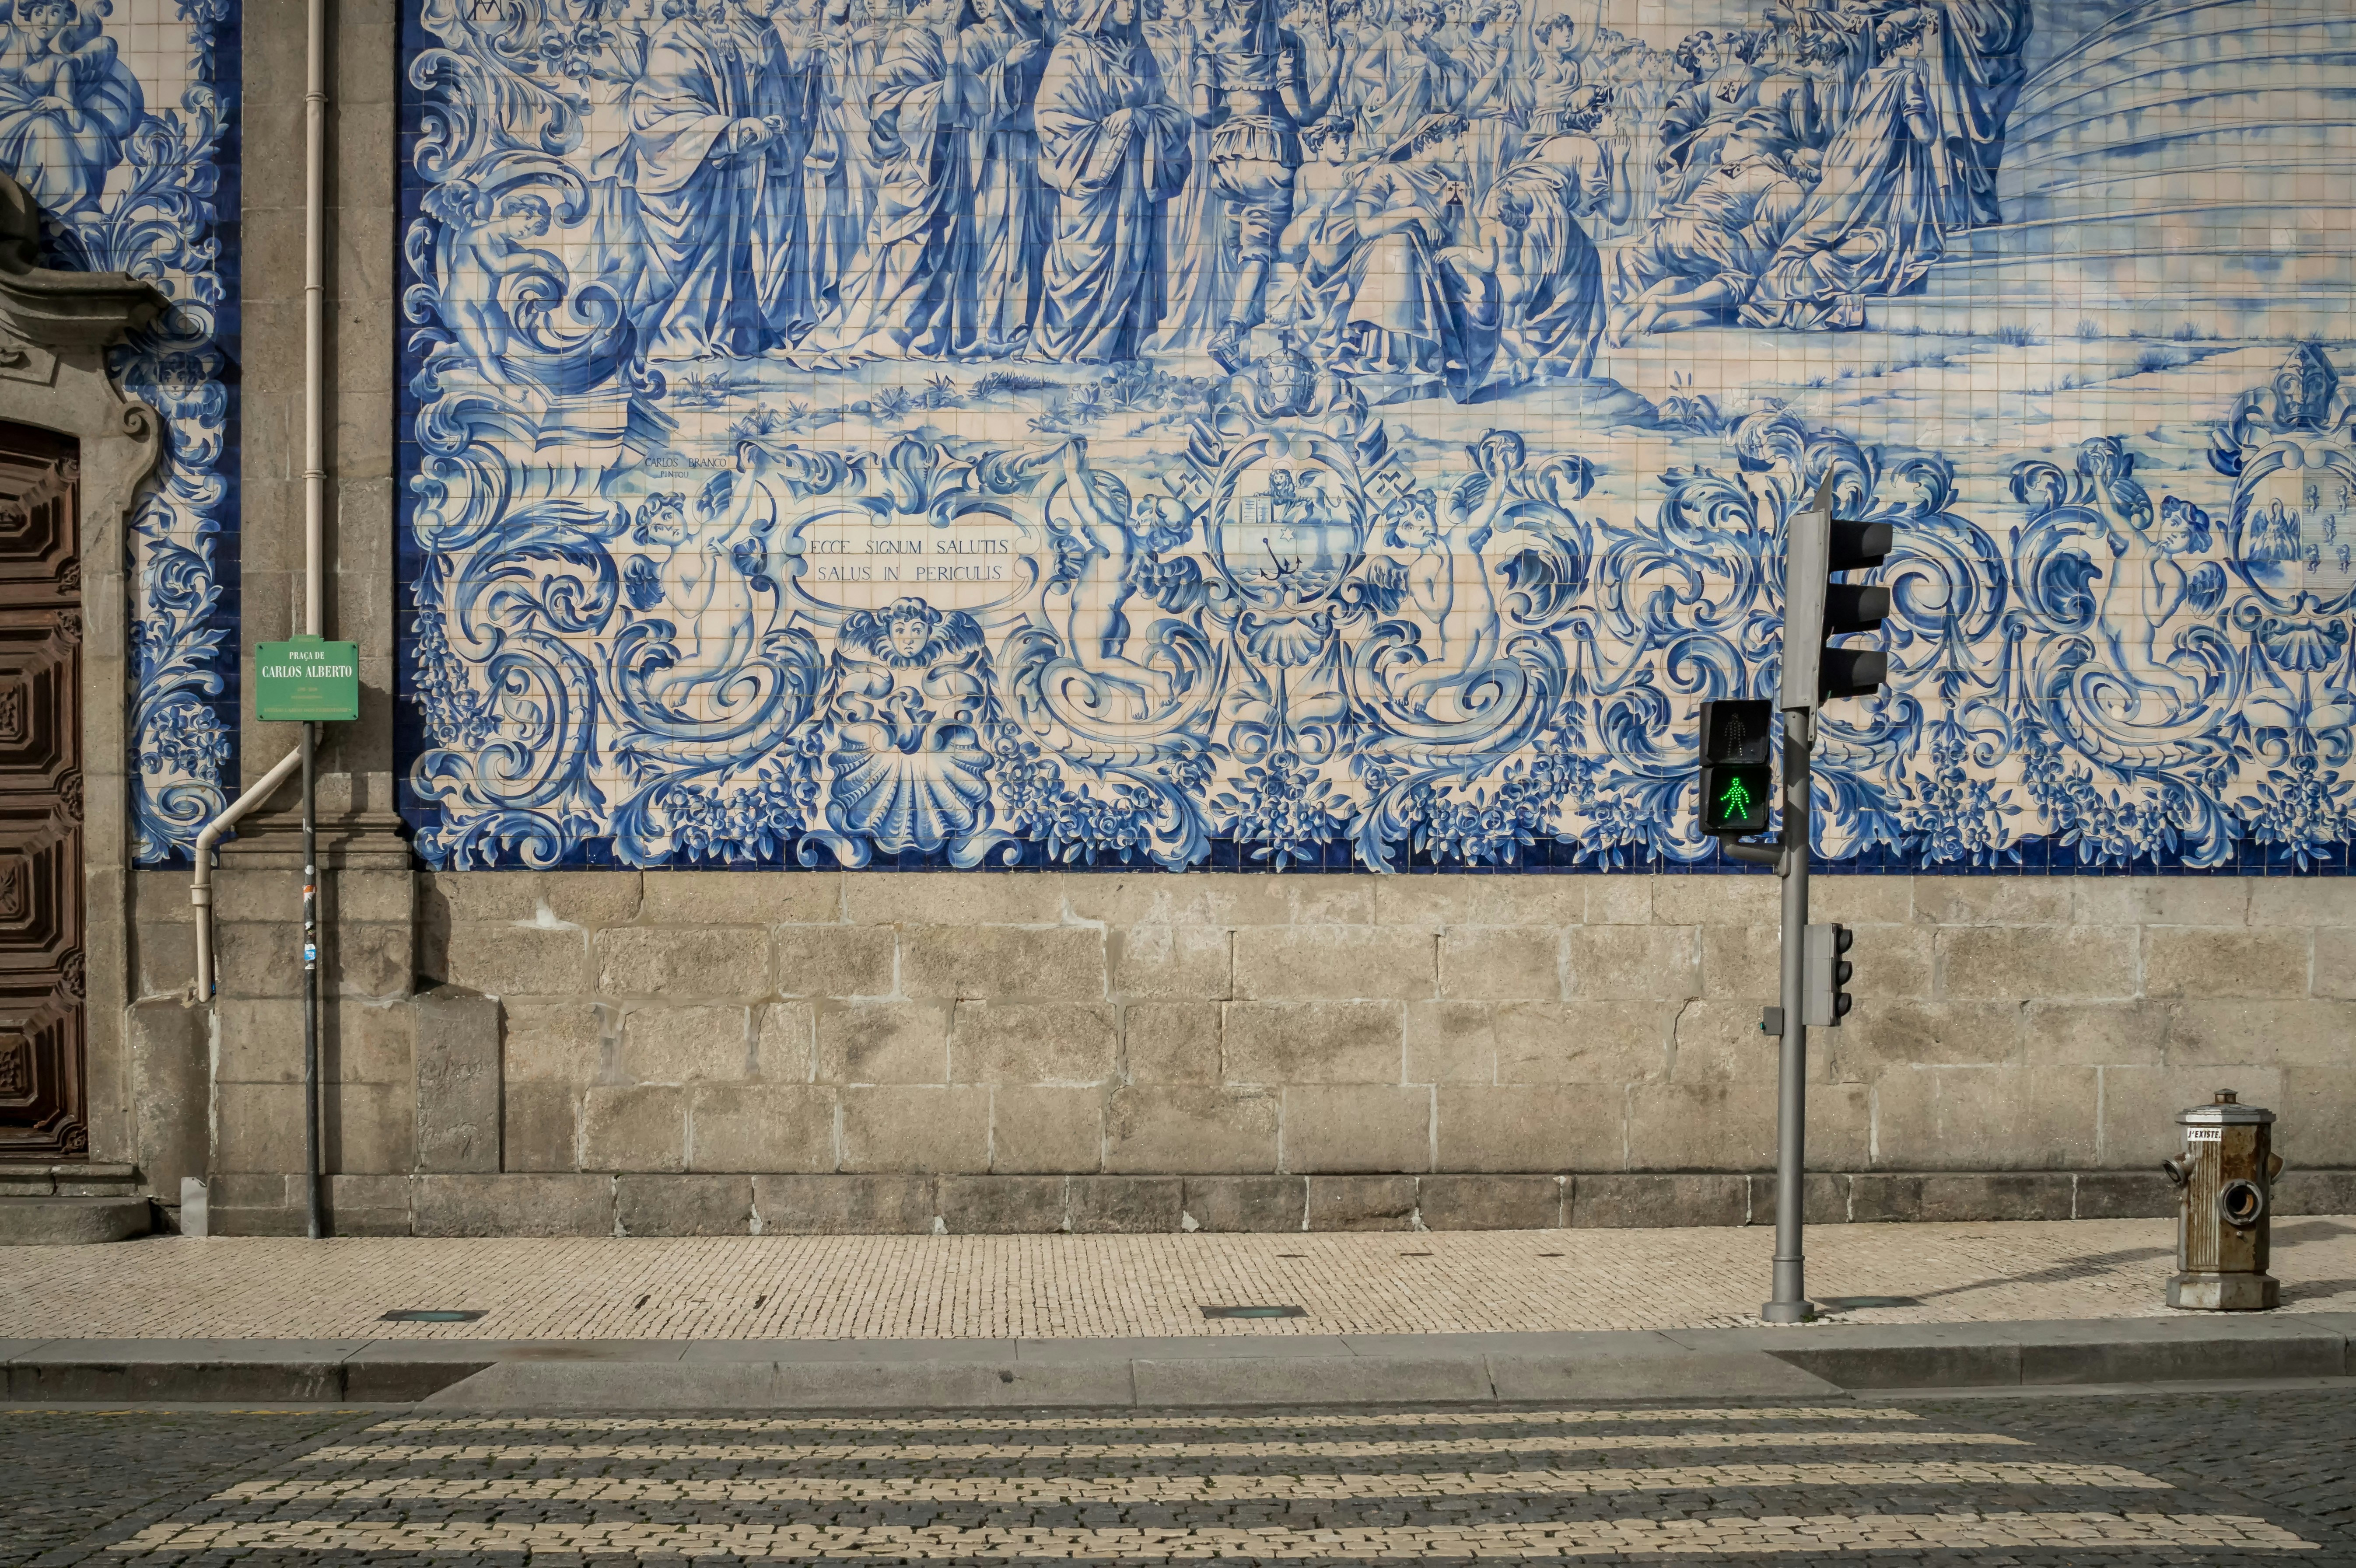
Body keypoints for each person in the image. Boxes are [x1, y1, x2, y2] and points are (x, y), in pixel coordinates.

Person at [1738, 10, 1946, 331]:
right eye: (1918, 37)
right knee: (1875, 247)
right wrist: (1929, 103)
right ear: (1904, 42)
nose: (1921, 44)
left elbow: (1855, 129)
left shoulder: (1867, 79)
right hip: (1881, 194)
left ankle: (1777, 291)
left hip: (1847, 174)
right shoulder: (1909, 79)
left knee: (1813, 238)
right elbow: (1925, 135)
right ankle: (1800, 288)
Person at [810, 0, 979, 359]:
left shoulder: (942, 40)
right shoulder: (909, 41)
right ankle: (886, 328)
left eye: (957, 3)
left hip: (944, 163)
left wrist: (958, 63)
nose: (953, 8)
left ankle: (917, 328)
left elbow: (978, 107)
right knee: (903, 247)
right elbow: (916, 110)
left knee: (935, 247)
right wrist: (951, 68)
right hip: (914, 167)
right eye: (945, 1)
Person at [1029, 0, 1194, 362]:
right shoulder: (1070, 52)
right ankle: (1061, 346)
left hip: (1133, 181)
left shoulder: (1141, 55)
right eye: (1119, 2)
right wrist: (1105, 135)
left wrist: (1139, 116)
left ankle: (1116, 348)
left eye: (1134, 3)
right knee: (1077, 257)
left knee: (1131, 256)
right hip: (1088, 178)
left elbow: (1168, 111)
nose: (1130, 10)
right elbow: (1050, 119)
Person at [1188, 0, 1344, 367]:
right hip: (1271, 154)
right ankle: (1231, 331)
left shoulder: (1211, 41)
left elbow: (1202, 112)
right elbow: (1303, 113)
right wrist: (1336, 67)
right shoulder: (1286, 42)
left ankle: (1248, 328)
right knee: (1259, 249)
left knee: (1241, 245)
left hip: (1227, 157)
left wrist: (1236, 111)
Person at [623, 0, 778, 360]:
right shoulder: (673, 40)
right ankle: (675, 336)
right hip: (685, 179)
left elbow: (737, 107)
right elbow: (660, 112)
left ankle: (732, 331)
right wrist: (729, 132)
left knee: (732, 250)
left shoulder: (725, 42)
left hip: (721, 177)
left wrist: (754, 132)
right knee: (685, 265)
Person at [1609, 110, 1810, 339]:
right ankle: (1665, 304)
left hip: (1672, 226)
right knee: (1740, 281)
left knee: (1700, 279)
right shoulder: (1785, 186)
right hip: (1706, 233)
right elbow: (1768, 240)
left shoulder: (1732, 165)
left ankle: (1631, 307)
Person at [959, 0, 1051, 355]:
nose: (985, 6)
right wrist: (1007, 64)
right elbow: (970, 100)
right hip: (991, 152)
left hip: (1028, 150)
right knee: (992, 234)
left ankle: (1017, 325)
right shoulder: (971, 39)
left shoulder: (1031, 37)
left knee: (1027, 236)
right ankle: (985, 324)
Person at [0, 0, 144, 217]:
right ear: (28, 15)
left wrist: (60, 104)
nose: (46, 20)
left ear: (65, 20)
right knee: (43, 127)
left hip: (28, 122)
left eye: (55, 13)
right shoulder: (7, 35)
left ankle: (76, 210)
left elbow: (77, 123)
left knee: (48, 130)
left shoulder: (60, 65)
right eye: (39, 12)